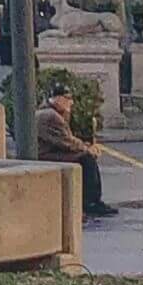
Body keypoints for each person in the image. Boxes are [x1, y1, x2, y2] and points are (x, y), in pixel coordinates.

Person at [35, 79, 118, 218]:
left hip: (47, 151)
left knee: (84, 156)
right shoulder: (51, 116)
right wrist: (87, 149)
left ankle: (90, 200)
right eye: (68, 98)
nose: (71, 102)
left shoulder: (49, 112)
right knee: (86, 159)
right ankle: (91, 201)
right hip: (45, 154)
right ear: (58, 99)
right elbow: (66, 141)